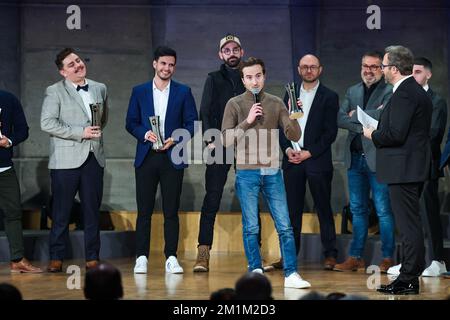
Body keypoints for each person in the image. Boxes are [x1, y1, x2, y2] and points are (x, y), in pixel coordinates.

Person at [222, 57, 310, 289]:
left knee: (285, 225)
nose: (254, 81)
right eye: (249, 77)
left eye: (258, 76)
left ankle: (291, 273)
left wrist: (294, 114)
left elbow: (293, 136)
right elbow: (225, 139)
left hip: (272, 172)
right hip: (246, 172)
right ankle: (255, 271)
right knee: (251, 225)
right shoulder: (234, 104)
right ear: (243, 80)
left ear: (264, 76)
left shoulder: (275, 103)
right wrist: (248, 121)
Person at [363, 45, 433, 295]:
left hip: (404, 168)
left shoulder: (404, 93)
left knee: (408, 225)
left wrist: (373, 133)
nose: (381, 69)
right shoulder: (411, 90)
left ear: (393, 68)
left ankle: (408, 278)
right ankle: (409, 277)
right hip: (409, 167)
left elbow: (395, 134)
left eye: (383, 65)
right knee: (409, 223)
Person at [126, 46, 198, 274]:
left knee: (171, 211)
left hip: (171, 156)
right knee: (144, 210)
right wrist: (144, 134)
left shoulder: (183, 92)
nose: (167, 68)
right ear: (155, 64)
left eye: (171, 65)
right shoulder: (139, 91)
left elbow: (191, 124)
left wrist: (175, 139)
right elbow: (131, 122)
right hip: (146, 156)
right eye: (163, 63)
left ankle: (171, 257)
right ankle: (141, 257)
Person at [41, 48, 107, 272]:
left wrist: (91, 134)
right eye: (71, 64)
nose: (78, 65)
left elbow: (102, 119)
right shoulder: (54, 91)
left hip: (93, 158)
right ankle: (57, 256)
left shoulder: (99, 88)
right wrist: (81, 132)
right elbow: (47, 123)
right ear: (62, 72)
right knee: (61, 212)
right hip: (65, 161)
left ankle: (92, 257)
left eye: (78, 60)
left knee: (91, 211)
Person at [273, 54, 339, 270]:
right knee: (291, 211)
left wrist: (309, 152)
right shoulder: (290, 93)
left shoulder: (329, 96)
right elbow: (281, 126)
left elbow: (330, 133)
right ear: (299, 69)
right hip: (293, 160)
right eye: (304, 67)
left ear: (320, 69)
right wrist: (287, 149)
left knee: (323, 209)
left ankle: (330, 255)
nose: (308, 70)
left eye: (312, 67)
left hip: (316, 161)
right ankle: (289, 256)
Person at [335, 51, 395, 272]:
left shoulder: (390, 91)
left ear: (382, 69)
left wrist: (355, 115)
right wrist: (365, 120)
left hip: (378, 159)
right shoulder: (353, 90)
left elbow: (384, 117)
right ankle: (356, 257)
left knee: (383, 211)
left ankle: (388, 257)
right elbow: (340, 118)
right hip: (354, 160)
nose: (368, 70)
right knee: (358, 210)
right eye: (365, 66)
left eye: (374, 66)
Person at [388, 57, 448, 277]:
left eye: (419, 71)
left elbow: (432, 134)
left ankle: (437, 260)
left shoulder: (436, 100)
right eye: (412, 71)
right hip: (406, 166)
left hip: (427, 165)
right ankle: (410, 262)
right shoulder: (405, 97)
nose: (414, 75)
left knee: (428, 213)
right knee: (408, 216)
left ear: (428, 74)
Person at [195, 34, 246, 272]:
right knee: (212, 198)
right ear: (221, 55)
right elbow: (205, 111)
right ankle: (203, 252)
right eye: (227, 50)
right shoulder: (213, 79)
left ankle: (254, 256)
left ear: (241, 52)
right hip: (220, 144)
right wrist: (210, 141)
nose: (231, 53)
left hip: (247, 145)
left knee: (250, 199)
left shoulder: (250, 77)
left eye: (235, 49)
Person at [0, 90, 42, 274]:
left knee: (14, 213)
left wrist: (9, 140)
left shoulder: (8, 99)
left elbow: (22, 130)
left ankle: (17, 259)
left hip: (4, 168)